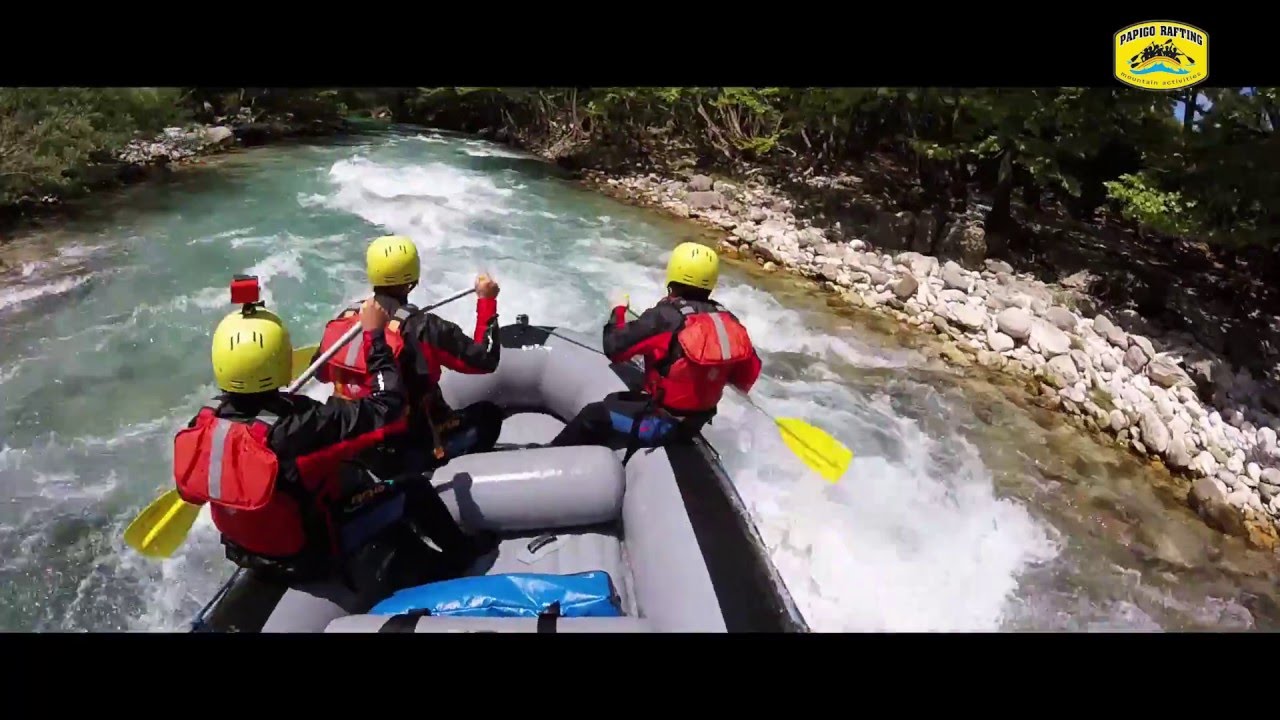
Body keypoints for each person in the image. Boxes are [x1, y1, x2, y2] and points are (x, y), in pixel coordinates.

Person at [171, 295, 496, 597]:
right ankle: (462, 557)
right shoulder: (303, 426)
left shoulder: (203, 424)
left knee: (349, 473)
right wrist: (376, 338)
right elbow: (388, 407)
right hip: (310, 554)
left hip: (244, 552)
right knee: (413, 488)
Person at [313, 235, 504, 474]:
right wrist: (487, 301)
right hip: (403, 449)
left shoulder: (345, 320)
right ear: (413, 279)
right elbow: (485, 359)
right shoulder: (424, 328)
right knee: (488, 416)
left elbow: (320, 373)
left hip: (348, 441)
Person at [549, 242, 762, 455]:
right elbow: (746, 378)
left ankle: (549, 454)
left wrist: (619, 310)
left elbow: (614, 347)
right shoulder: (730, 321)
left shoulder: (666, 317)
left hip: (662, 426)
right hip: (696, 422)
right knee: (627, 391)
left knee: (592, 415)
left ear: (674, 272)